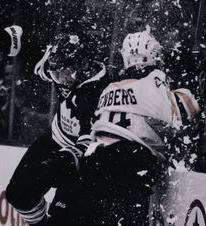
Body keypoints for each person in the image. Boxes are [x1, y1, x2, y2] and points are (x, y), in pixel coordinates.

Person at [74, 30, 201, 225]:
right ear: (154, 55)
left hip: (96, 160)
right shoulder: (154, 83)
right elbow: (185, 113)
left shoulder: (109, 88)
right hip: (132, 162)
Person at [5, 33, 109, 226]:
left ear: (84, 65)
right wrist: (14, 40)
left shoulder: (96, 92)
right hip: (54, 138)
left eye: (65, 73)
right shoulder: (63, 69)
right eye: (56, 74)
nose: (61, 80)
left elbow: (87, 140)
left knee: (63, 217)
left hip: (79, 158)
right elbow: (35, 57)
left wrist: (65, 159)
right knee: (17, 194)